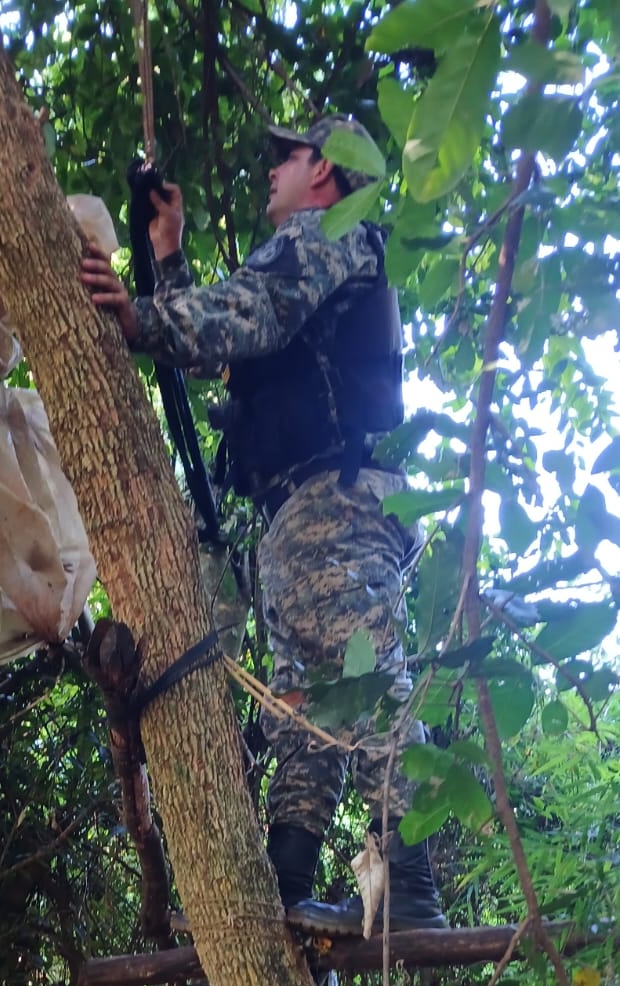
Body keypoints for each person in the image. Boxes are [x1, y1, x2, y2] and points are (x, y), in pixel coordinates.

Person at [82, 114, 445, 932]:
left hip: (334, 502)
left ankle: (411, 883)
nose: (271, 170)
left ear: (327, 171)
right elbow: (227, 348)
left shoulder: (328, 232)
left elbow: (250, 310)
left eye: (286, 156)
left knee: (370, 676)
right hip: (303, 512)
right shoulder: (310, 253)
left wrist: (139, 315)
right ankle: (287, 884)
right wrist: (167, 250)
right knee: (306, 709)